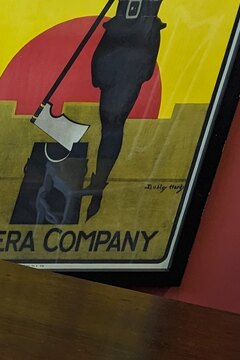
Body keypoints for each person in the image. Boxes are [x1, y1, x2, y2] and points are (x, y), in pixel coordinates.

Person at [87, 0, 166, 218]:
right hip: (116, 48)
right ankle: (98, 183)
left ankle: (99, 184)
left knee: (113, 123)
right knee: (108, 122)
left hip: (134, 51)